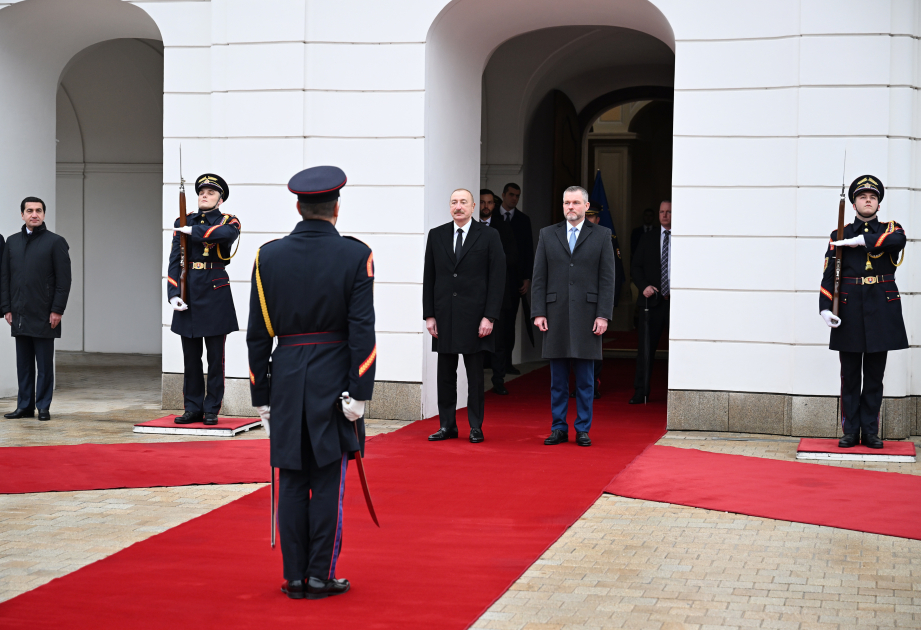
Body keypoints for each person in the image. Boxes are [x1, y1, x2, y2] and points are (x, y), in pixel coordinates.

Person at [247, 165, 375, 600]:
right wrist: (360, 392)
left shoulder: (268, 256)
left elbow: (258, 334)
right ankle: (320, 575)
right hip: (334, 381)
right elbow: (362, 330)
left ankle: (294, 576)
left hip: (285, 379)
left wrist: (261, 397)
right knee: (326, 482)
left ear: (298, 208)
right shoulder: (356, 255)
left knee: (291, 481)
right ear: (336, 209)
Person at [820, 175, 906, 449]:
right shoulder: (838, 235)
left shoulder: (891, 229)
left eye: (873, 197)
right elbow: (828, 275)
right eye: (862, 197)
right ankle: (850, 431)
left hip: (881, 307)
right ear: (855, 203)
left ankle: (870, 431)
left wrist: (862, 242)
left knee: (874, 376)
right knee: (849, 375)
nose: (868, 200)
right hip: (849, 309)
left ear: (878, 204)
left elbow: (898, 241)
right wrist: (824, 308)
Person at [531, 186, 615, 447]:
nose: (570, 207)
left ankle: (582, 428)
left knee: (585, 379)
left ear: (586, 206)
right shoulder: (547, 234)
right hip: (554, 314)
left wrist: (603, 315)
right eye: (567, 202)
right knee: (557, 380)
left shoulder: (602, 235)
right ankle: (558, 427)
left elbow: (607, 279)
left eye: (576, 203)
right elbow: (539, 277)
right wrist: (538, 312)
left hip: (588, 316)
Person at [423, 189, 505, 443]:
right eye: (454, 202)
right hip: (445, 316)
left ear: (473, 207)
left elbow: (497, 278)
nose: (458, 207)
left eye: (463, 203)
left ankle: (475, 426)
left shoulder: (489, 236)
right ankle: (447, 425)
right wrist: (429, 315)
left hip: (475, 317)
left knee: (475, 377)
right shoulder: (437, 235)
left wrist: (489, 317)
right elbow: (430, 277)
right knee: (445, 375)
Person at [166, 174, 241, 426]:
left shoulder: (228, 221)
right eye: (201, 192)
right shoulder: (182, 221)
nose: (204, 195)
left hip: (214, 291)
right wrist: (173, 293)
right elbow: (175, 258)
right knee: (190, 357)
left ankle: (211, 408)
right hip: (189, 291)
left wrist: (194, 231)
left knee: (214, 358)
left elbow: (226, 234)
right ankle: (192, 408)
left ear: (220, 200)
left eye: (210, 192)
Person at [1, 197, 72, 421]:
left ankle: (43, 407)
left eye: (38, 211)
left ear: (43, 214)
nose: (34, 214)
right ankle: (24, 406)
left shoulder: (56, 242)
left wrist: (57, 310)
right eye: (29, 211)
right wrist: (6, 308)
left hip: (45, 314)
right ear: (22, 215)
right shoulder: (11, 243)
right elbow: (5, 279)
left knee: (43, 365)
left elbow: (64, 281)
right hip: (19, 313)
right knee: (23, 365)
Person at [569, 206, 624, 400]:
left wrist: (607, 307)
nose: (588, 220)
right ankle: (578, 383)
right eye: (586, 216)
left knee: (594, 347)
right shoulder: (571, 238)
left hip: (597, 304)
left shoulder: (604, 239)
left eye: (591, 217)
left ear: (598, 220)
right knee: (574, 346)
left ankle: (592, 384)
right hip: (575, 303)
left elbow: (612, 276)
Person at [479, 189, 521, 395]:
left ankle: (498, 380)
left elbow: (513, 257)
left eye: (489, 203)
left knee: (499, 339)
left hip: (499, 292)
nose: (486, 206)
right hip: (475, 294)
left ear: (494, 205)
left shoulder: (503, 228)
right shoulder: (469, 227)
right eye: (482, 202)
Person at [629, 200, 671, 404]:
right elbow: (635, 267)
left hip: (677, 304)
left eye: (669, 212)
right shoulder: (648, 238)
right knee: (645, 351)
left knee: (683, 350)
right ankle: (641, 391)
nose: (664, 215)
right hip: (651, 303)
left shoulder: (687, 238)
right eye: (662, 212)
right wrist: (644, 286)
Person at [498, 183, 533, 375]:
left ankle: (507, 362)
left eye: (517, 196)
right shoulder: (493, 217)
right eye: (511, 195)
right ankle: (493, 361)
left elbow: (528, 250)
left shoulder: (523, 220)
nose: (514, 199)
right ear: (503, 194)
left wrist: (527, 278)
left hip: (514, 280)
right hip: (495, 278)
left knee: (510, 323)